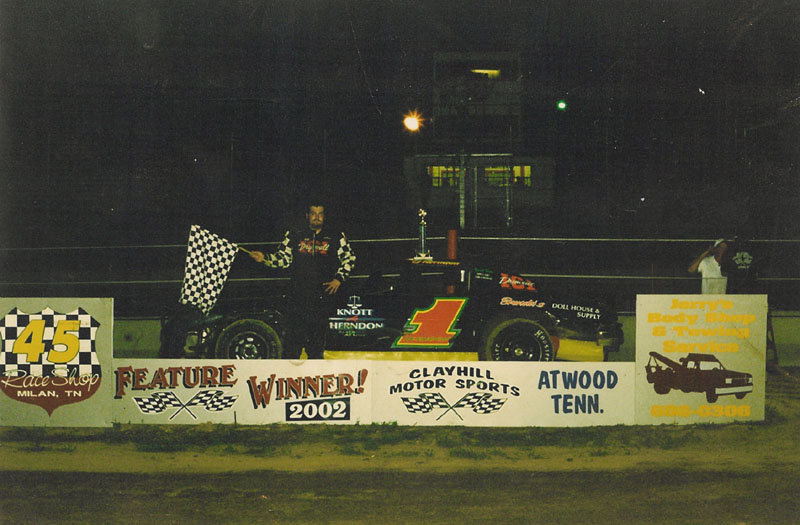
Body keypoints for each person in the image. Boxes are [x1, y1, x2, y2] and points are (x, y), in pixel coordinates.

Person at [249, 201, 356, 359]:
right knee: (293, 342)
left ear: (324, 216)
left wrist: (338, 279)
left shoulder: (336, 236)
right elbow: (283, 259)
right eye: (313, 213)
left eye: (320, 214)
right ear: (307, 216)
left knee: (316, 344)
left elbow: (349, 258)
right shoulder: (294, 234)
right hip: (298, 295)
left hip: (323, 296)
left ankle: (315, 372)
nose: (317, 217)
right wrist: (264, 258)